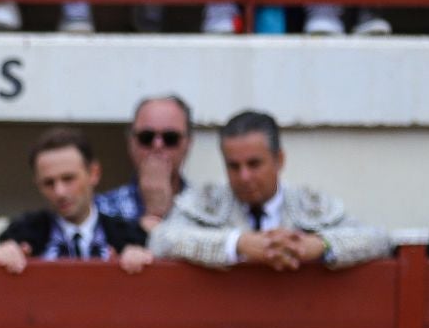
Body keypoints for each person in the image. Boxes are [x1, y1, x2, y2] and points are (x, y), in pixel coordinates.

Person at [149, 109, 390, 270]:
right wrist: (237, 243)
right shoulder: (204, 202)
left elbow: (379, 240)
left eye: (254, 164)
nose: (244, 176)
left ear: (279, 160)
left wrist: (319, 245)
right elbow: (160, 240)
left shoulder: (311, 205)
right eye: (234, 166)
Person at [0, 128, 152, 274]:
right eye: (48, 183)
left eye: (68, 179)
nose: (60, 192)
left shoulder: (129, 237)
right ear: (37, 184)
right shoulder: (21, 236)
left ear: (94, 173)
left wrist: (141, 259)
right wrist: (6, 256)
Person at [99, 95, 193, 232]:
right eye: (146, 137)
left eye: (170, 138)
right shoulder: (101, 210)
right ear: (131, 142)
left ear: (189, 143)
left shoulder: (208, 210)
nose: (157, 145)